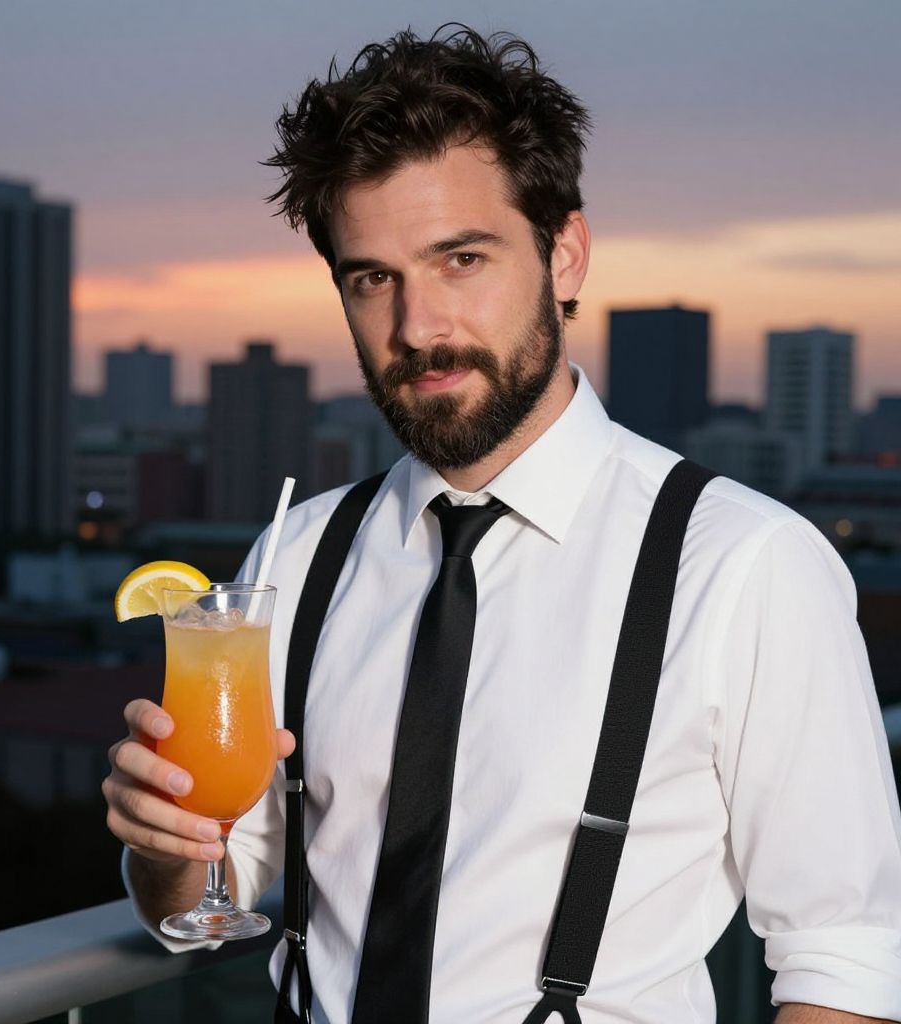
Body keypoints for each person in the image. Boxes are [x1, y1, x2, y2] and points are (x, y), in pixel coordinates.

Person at [102, 25, 901, 1024]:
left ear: (564, 255)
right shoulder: (298, 554)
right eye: (372, 278)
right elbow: (210, 894)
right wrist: (161, 846)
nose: (418, 326)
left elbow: (845, 957)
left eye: (462, 259)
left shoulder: (744, 564)